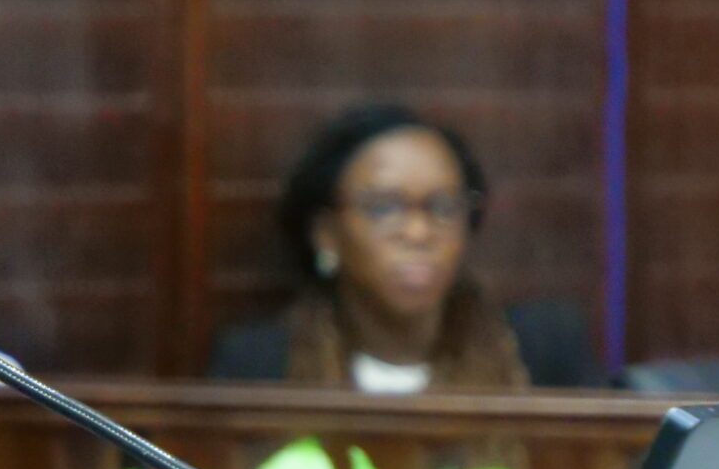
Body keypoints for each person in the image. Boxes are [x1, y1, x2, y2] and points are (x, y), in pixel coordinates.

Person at [207, 101, 600, 391]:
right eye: (383, 208)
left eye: (443, 207)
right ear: (325, 233)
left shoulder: (541, 351)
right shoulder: (259, 364)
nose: (418, 232)